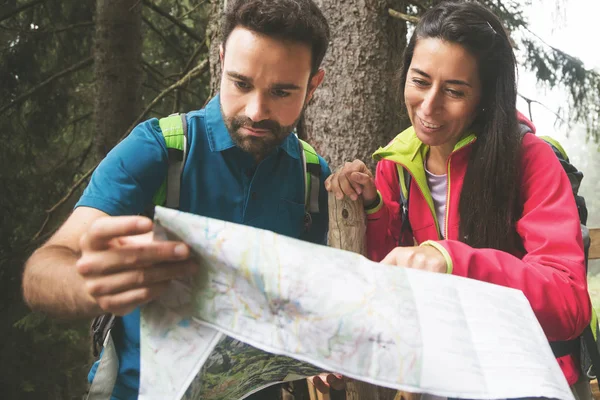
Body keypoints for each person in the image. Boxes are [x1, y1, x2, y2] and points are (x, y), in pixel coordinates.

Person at [21, 0, 340, 398]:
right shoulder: (159, 149)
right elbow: (43, 270)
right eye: (240, 83)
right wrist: (91, 284)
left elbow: (308, 305)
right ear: (221, 60)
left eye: (281, 92)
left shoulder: (313, 177)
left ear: (314, 85)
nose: (256, 111)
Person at [326, 1, 592, 398]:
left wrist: (452, 261)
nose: (429, 106)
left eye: (454, 91)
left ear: (485, 96)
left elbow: (567, 302)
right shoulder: (396, 164)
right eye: (420, 81)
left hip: (530, 379)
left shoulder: (529, 159)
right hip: (444, 377)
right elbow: (392, 275)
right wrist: (373, 209)